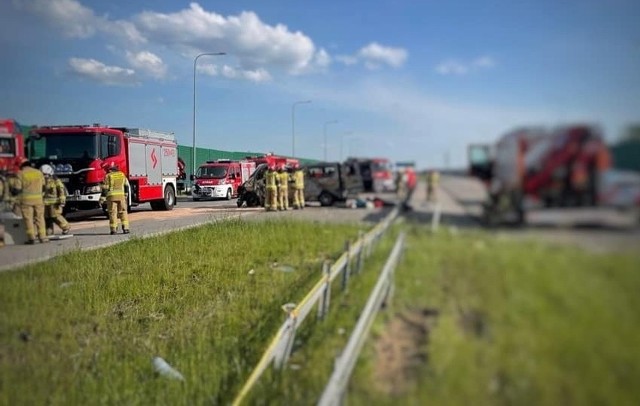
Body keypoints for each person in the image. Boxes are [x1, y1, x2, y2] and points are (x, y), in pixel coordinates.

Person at [17, 159, 48, 244]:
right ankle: (43, 237)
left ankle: (32, 238)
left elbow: (17, 188)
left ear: (22, 165)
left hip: (26, 201)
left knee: (28, 219)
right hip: (38, 199)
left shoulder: (20, 173)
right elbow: (44, 185)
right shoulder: (38, 172)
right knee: (40, 218)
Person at [41, 164, 70, 236]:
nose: (44, 176)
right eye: (42, 174)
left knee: (56, 216)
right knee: (47, 218)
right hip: (45, 203)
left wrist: (62, 201)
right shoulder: (42, 181)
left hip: (55, 204)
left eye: (45, 174)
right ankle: (49, 232)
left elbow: (61, 191)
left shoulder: (56, 181)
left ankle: (66, 227)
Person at [100, 162, 129, 235]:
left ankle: (113, 230)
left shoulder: (108, 176)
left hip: (111, 197)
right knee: (123, 212)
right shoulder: (122, 174)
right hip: (121, 197)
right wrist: (125, 195)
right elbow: (126, 186)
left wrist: (102, 199)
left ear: (109, 169)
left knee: (113, 213)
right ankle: (126, 228)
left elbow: (105, 189)